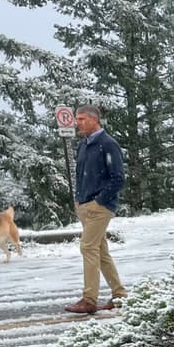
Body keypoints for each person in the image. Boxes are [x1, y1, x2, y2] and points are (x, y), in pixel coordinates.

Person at [65, 105, 128, 314]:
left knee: (88, 247)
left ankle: (89, 299)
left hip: (99, 207)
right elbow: (80, 174)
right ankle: (119, 295)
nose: (78, 123)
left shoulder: (108, 144)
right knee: (100, 251)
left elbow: (118, 178)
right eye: (77, 119)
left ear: (94, 120)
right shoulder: (84, 145)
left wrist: (100, 201)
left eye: (82, 119)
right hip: (85, 205)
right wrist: (79, 201)